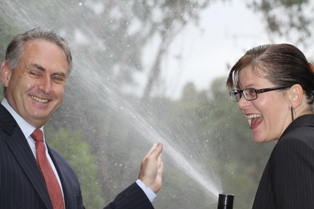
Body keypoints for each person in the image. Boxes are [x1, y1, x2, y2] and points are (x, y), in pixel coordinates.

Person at [0, 28, 163, 209]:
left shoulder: (64, 171)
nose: (46, 87)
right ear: (7, 73)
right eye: (35, 73)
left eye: (57, 78)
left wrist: (144, 187)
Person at [226, 43, 314, 208]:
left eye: (253, 92)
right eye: (240, 94)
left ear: (294, 95)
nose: (241, 104)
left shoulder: (293, 148)